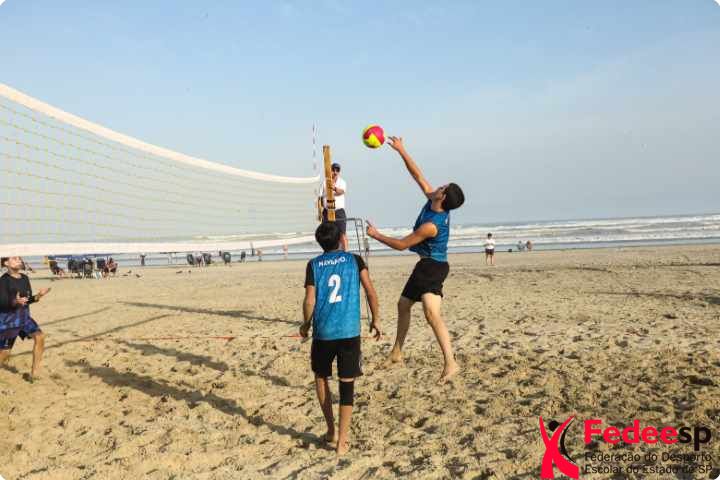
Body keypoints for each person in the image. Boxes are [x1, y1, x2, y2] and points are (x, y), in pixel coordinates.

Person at [366, 136, 465, 384]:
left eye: (442, 187)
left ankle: (451, 363)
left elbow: (402, 245)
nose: (438, 186)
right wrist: (401, 150)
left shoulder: (432, 225)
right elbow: (417, 175)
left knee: (431, 314)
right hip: (426, 265)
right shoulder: (434, 200)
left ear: (443, 197)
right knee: (403, 304)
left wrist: (376, 235)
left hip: (433, 267)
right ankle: (397, 353)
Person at [300, 222, 381, 456]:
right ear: (341, 239)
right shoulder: (355, 260)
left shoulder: (314, 264)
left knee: (321, 377)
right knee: (347, 383)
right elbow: (370, 291)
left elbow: (309, 300)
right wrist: (376, 319)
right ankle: (342, 442)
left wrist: (306, 324)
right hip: (349, 332)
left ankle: (331, 430)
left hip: (323, 332)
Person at [0, 257, 50, 382]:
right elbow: (2, 303)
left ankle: (34, 374)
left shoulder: (25, 278)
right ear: (6, 263)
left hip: (24, 317)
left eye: (19, 258)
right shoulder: (3, 281)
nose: (18, 260)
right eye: (14, 258)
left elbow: (26, 300)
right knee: (5, 353)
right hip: (9, 321)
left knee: (40, 337)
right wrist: (15, 301)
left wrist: (38, 296)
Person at [320, 162, 349, 251]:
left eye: (337, 170)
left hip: (338, 211)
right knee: (327, 235)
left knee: (342, 234)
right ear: (330, 171)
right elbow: (320, 197)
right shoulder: (324, 183)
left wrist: (334, 188)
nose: (335, 172)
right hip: (327, 211)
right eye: (333, 170)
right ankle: (329, 253)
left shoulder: (342, 182)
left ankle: (346, 253)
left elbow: (341, 192)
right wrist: (320, 211)